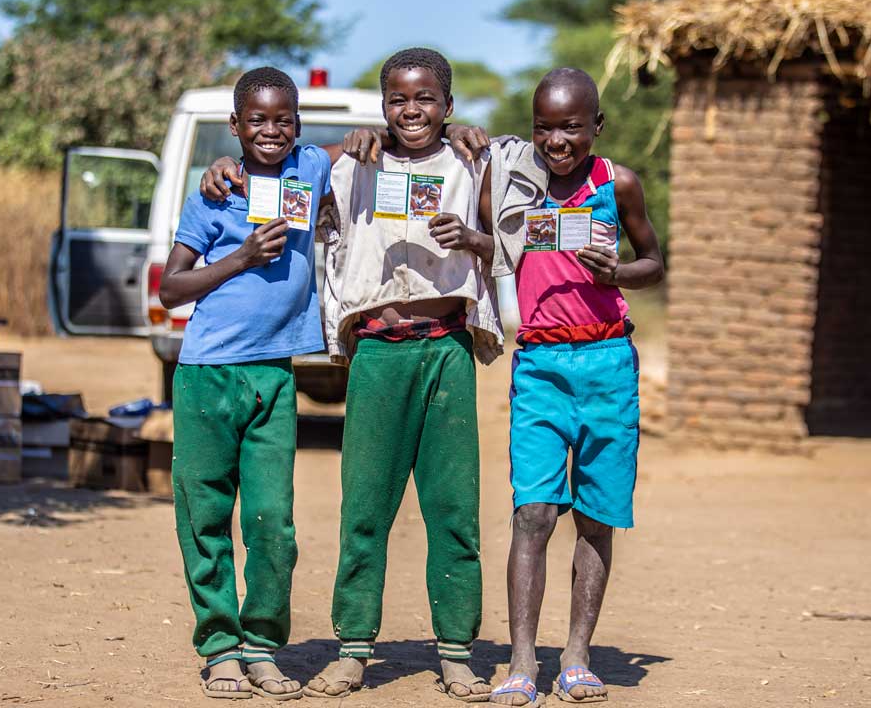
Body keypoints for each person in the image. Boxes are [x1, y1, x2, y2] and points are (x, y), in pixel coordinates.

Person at [198, 52, 498, 702]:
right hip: (379, 355)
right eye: (397, 100)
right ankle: (353, 649)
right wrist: (220, 167)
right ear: (382, 106)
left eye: (425, 100)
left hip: (446, 351)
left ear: (449, 106)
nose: (410, 111)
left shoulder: (473, 165)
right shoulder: (352, 164)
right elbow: (274, 163)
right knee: (363, 508)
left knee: (454, 511)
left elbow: (519, 237)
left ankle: (456, 653)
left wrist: (473, 238)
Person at [486, 68, 664, 706]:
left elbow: (654, 262)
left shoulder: (618, 184)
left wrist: (620, 270)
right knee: (532, 513)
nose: (556, 140)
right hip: (539, 366)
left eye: (570, 127)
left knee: (594, 517)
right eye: (543, 127)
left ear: (596, 126)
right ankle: (521, 663)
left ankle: (579, 657)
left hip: (607, 363)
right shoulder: (519, 183)